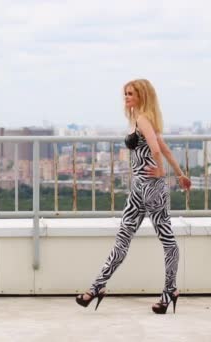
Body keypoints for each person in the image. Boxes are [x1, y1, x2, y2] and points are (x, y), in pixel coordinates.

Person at [76, 79, 191, 314]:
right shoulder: (140, 118)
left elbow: (157, 151)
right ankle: (97, 286)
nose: (126, 97)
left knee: (166, 239)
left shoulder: (142, 119)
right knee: (123, 238)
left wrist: (160, 170)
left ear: (142, 96)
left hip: (152, 188)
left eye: (131, 94)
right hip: (138, 190)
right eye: (125, 94)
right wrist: (180, 175)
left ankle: (170, 290)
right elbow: (164, 148)